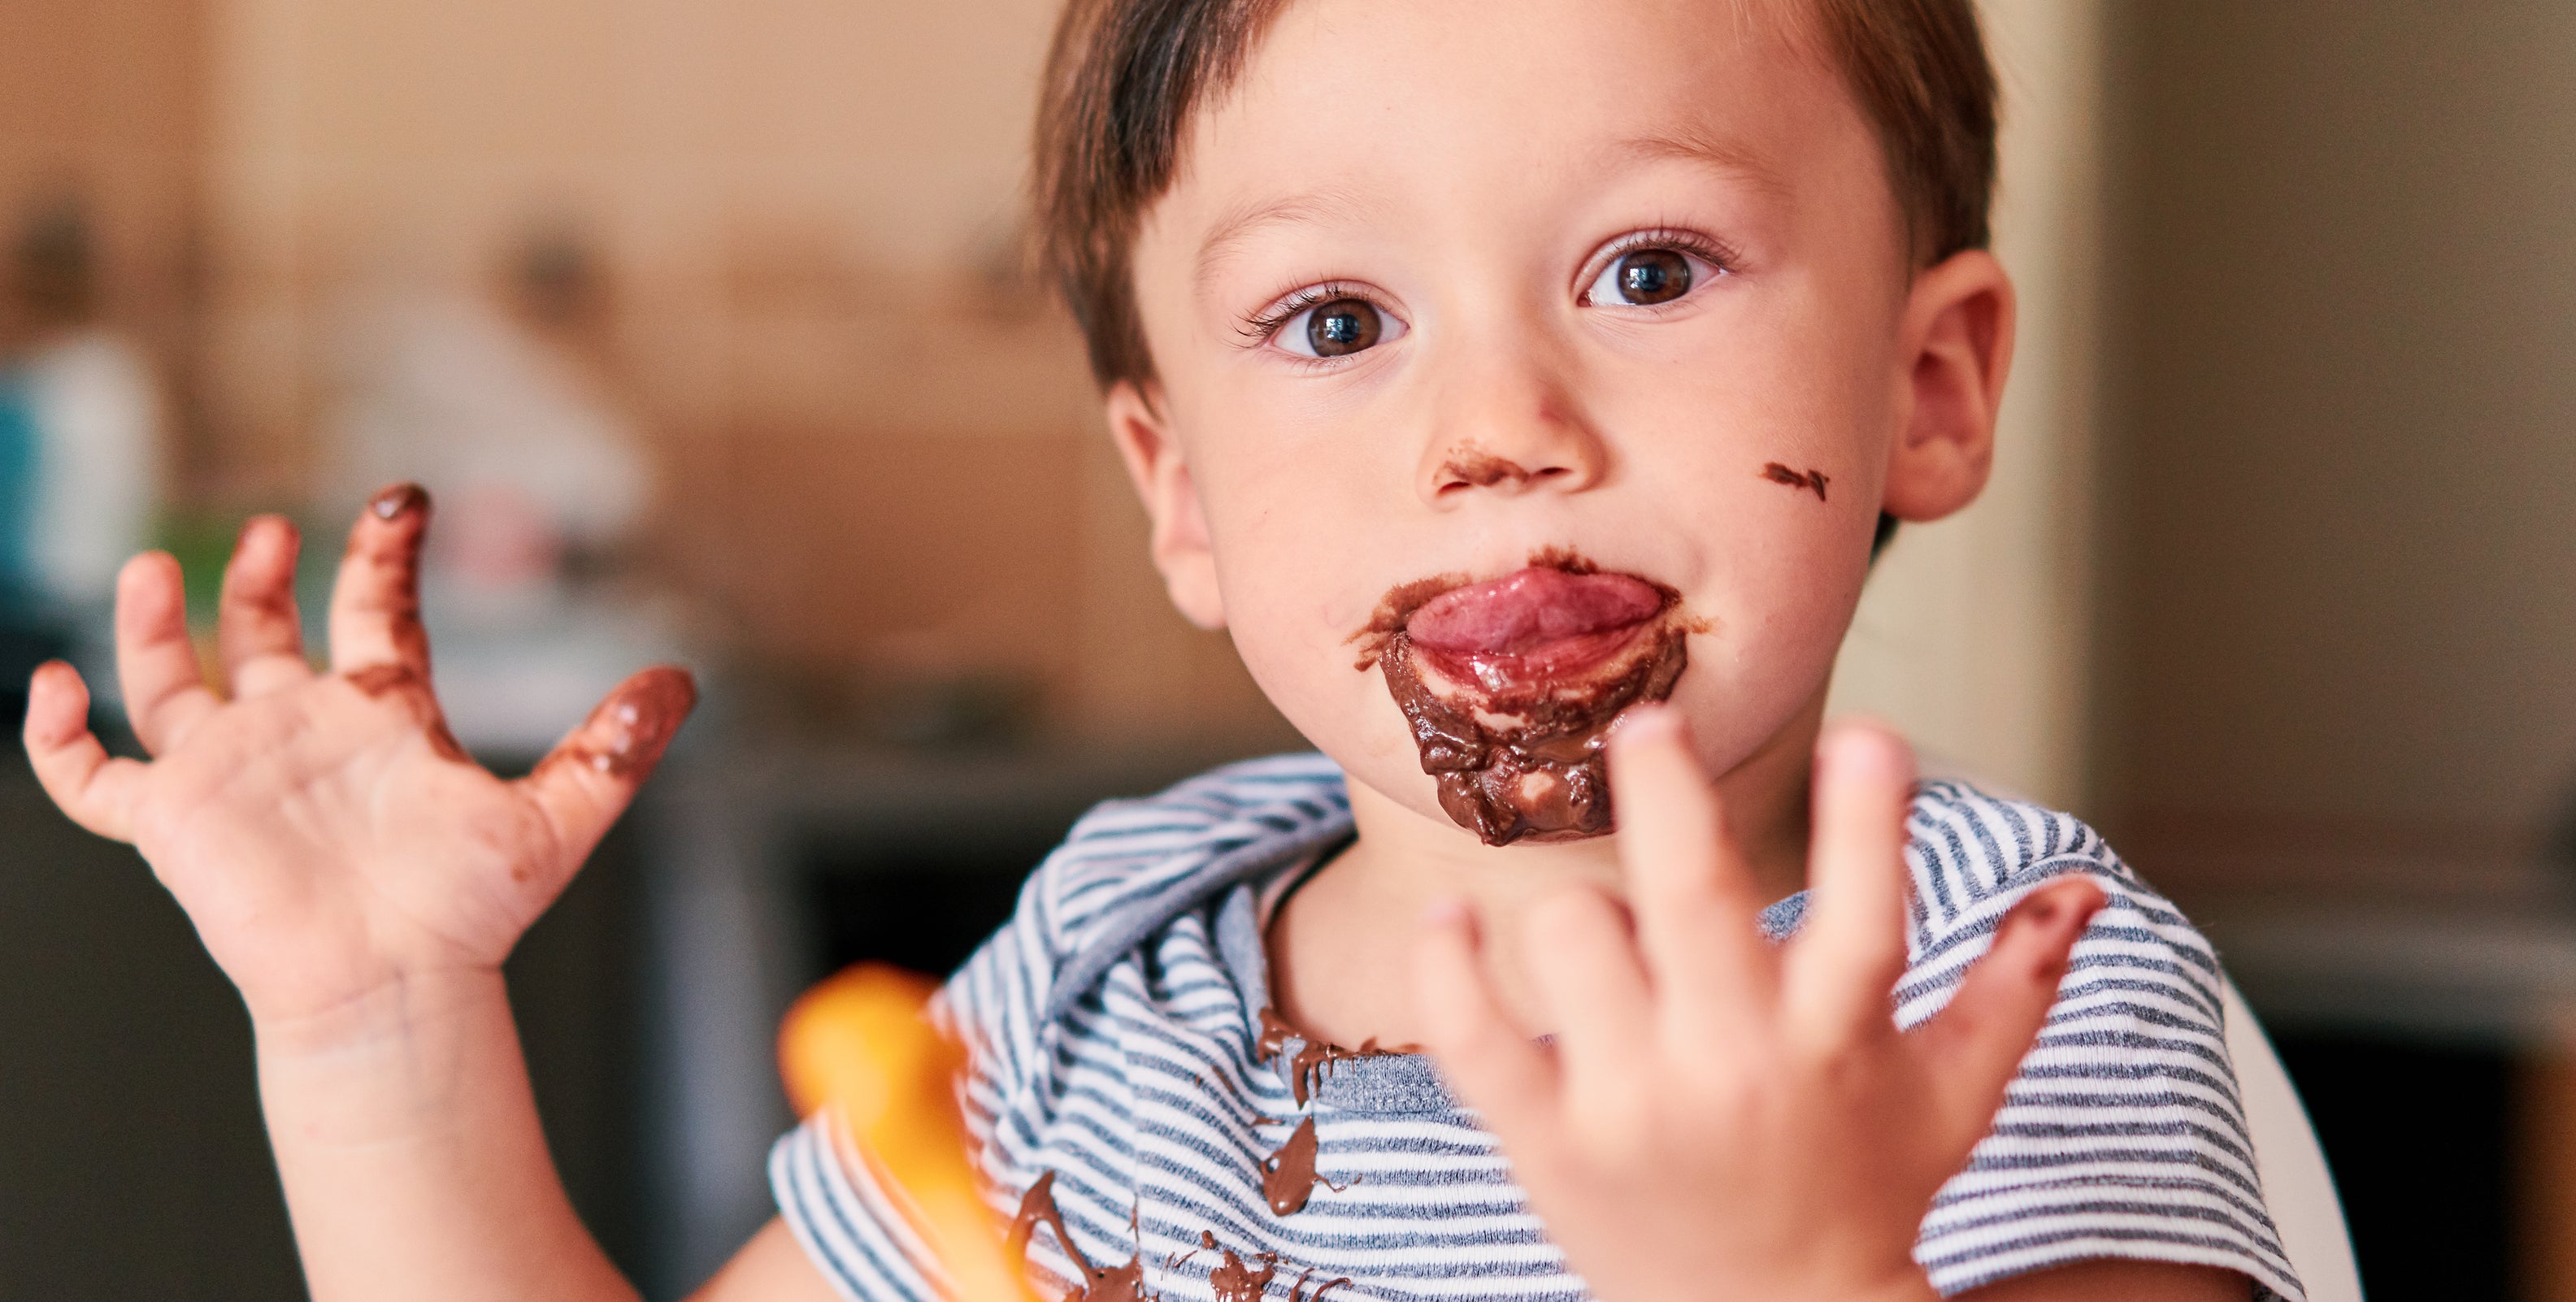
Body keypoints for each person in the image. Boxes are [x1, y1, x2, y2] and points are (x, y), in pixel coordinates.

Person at [16, 1, 2300, 1300]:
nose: (1493, 429)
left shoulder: (2006, 1000)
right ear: (1177, 491)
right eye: (1333, 321)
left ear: (1930, 384)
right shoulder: (1112, 977)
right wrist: (376, 1033)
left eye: (1647, 270)